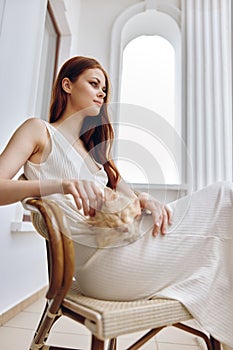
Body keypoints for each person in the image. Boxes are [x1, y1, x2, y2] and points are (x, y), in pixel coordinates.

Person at [0, 56, 232, 349]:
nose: (102, 93)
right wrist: (59, 184)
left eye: (105, 89)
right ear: (67, 85)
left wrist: (147, 200)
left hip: (126, 248)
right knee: (225, 196)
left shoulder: (96, 155)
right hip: (100, 266)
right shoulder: (39, 131)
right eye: (94, 84)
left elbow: (131, 198)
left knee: (222, 229)